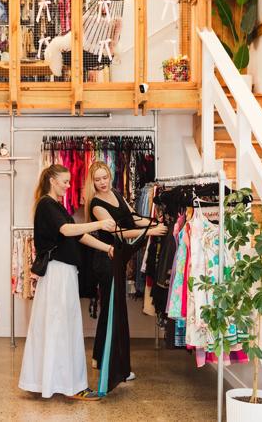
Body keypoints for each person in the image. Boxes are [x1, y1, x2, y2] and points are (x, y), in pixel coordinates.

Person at [19, 164, 116, 401]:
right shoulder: (46, 205)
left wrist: (107, 247)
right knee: (62, 326)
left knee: (58, 326)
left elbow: (79, 236)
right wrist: (99, 224)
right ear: (52, 181)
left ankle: (49, 381)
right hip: (58, 274)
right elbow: (66, 230)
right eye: (65, 181)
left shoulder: (55, 206)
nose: (69, 186)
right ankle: (70, 385)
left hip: (61, 273)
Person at [84, 161, 167, 395]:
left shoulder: (116, 194)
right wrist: (149, 231)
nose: (102, 182)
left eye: (105, 177)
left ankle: (100, 358)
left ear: (110, 176)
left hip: (117, 259)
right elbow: (118, 232)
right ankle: (114, 366)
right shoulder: (96, 204)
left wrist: (152, 222)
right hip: (106, 260)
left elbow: (132, 218)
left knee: (111, 310)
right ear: (92, 182)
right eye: (97, 179)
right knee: (113, 311)